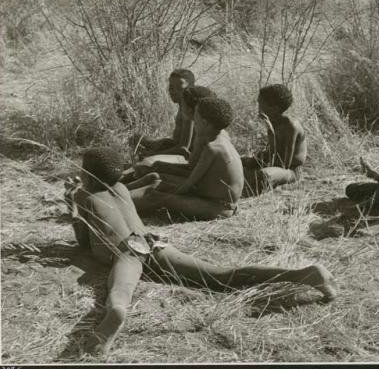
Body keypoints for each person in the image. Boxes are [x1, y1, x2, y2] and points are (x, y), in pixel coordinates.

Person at [64, 148, 338, 356]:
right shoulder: (122, 188)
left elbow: (85, 245)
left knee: (121, 289)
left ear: (87, 176)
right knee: (220, 275)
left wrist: (73, 207)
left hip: (126, 252)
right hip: (153, 243)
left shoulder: (84, 196)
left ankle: (114, 317)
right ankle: (304, 275)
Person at [130, 97, 244, 220]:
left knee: (156, 196)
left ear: (205, 123)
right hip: (213, 200)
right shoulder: (221, 140)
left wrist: (169, 195)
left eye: (196, 117)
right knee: (158, 183)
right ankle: (121, 196)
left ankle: (118, 205)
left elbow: (189, 184)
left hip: (218, 207)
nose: (193, 120)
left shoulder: (213, 149)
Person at [124, 86, 218, 191]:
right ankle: (121, 183)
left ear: (191, 109)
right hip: (192, 173)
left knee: (149, 166)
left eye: (183, 105)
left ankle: (121, 188)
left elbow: (194, 172)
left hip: (199, 184)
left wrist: (165, 167)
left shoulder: (203, 135)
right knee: (149, 166)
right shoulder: (203, 128)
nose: (181, 107)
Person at [121, 69, 196, 184]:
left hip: (183, 155)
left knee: (148, 161)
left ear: (190, 87)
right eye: (171, 86)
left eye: (179, 85)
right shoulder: (182, 106)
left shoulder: (189, 110)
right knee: (135, 138)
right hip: (174, 145)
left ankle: (127, 178)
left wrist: (152, 154)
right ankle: (131, 170)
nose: (173, 90)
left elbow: (184, 147)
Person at [242, 84, 307, 196]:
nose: (258, 108)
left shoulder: (291, 125)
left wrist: (270, 131)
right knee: (237, 161)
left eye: (261, 104)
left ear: (275, 109)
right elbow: (272, 153)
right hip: (274, 164)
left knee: (265, 175)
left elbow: (284, 163)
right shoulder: (274, 121)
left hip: (291, 172)